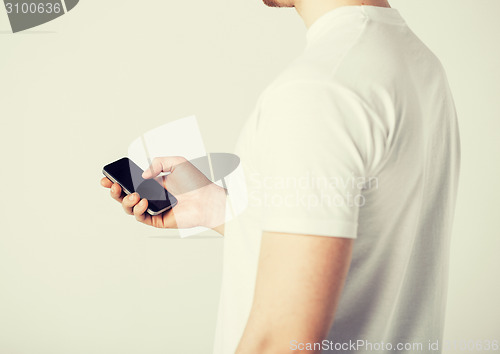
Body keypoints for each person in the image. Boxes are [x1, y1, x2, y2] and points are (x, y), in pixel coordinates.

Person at [101, 0, 461, 352]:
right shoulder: (417, 62)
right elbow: (364, 234)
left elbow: (279, 341)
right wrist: (214, 208)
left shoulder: (317, 91)